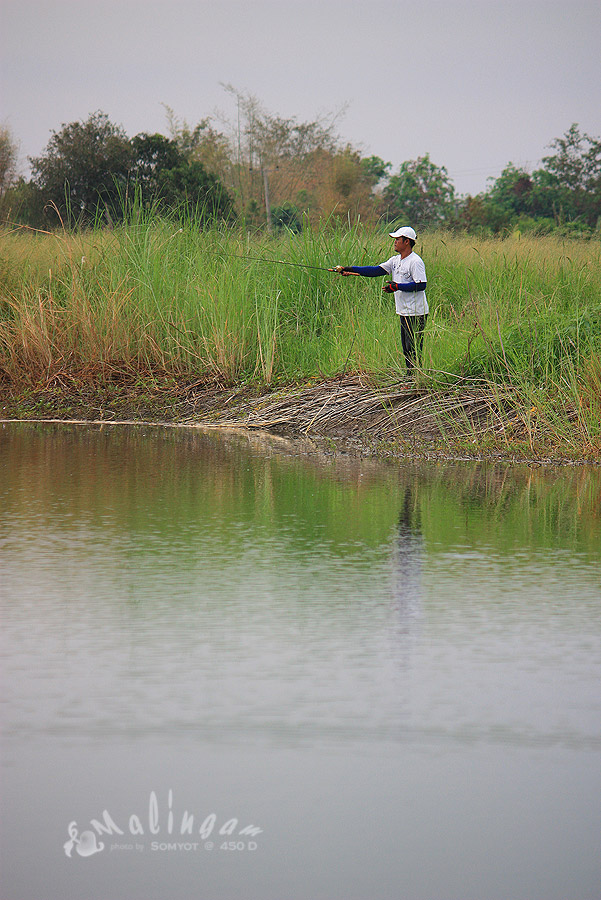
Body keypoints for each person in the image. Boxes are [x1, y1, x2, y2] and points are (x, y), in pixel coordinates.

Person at [335, 226, 428, 376]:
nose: (395, 242)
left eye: (398, 239)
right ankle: (411, 379)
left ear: (407, 242)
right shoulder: (395, 260)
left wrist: (396, 287)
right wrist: (349, 269)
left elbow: (421, 285)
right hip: (403, 311)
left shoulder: (415, 261)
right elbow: (375, 270)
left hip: (416, 312)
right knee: (406, 348)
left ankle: (416, 379)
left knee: (414, 347)